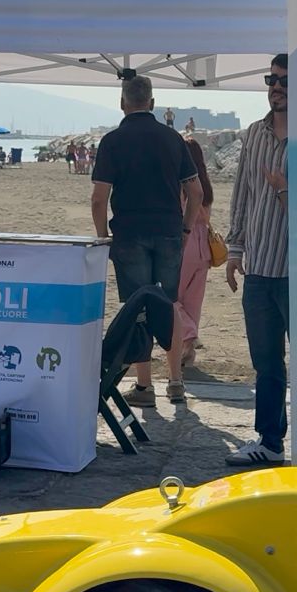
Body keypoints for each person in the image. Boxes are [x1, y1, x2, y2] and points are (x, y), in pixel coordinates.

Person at [91, 74, 200, 406]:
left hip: (129, 233)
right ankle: (177, 381)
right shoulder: (172, 139)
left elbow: (99, 198)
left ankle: (144, 387)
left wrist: (102, 237)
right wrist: (184, 230)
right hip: (168, 231)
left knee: (138, 308)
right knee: (169, 304)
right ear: (152, 103)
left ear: (123, 103)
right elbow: (195, 192)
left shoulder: (112, 141)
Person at [225, 54, 290, 465]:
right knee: (265, 363)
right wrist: (234, 249)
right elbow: (242, 194)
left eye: (285, 81)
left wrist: (285, 191)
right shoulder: (254, 134)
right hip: (259, 269)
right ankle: (269, 442)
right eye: (272, 79)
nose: (276, 87)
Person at [175, 134, 215, 371]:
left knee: (171, 297)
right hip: (204, 247)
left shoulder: (183, 184)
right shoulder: (206, 186)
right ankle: (187, 354)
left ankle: (189, 335)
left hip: (187, 240)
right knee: (192, 301)